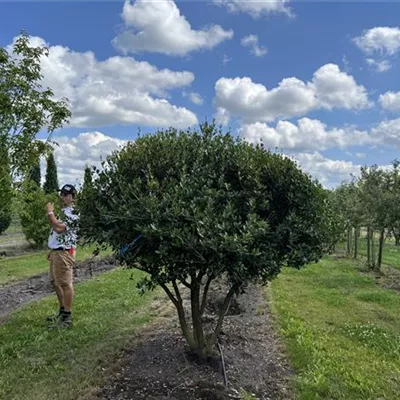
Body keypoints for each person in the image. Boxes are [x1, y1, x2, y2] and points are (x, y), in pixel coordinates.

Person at [46, 184, 79, 329]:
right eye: (62, 194)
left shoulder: (73, 213)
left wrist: (50, 213)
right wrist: (52, 249)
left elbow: (59, 229)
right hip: (57, 251)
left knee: (65, 283)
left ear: (72, 196)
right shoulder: (65, 211)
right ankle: (62, 310)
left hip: (65, 252)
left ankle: (67, 317)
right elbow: (56, 229)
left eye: (65, 195)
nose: (62, 197)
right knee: (54, 282)